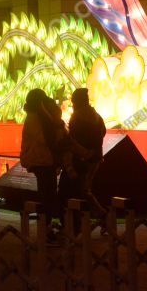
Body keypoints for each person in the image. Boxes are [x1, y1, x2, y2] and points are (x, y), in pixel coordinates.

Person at [20, 89, 91, 231]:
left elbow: (59, 137)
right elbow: (46, 139)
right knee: (48, 195)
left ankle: (47, 227)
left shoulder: (40, 118)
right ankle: (45, 229)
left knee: (48, 193)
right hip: (42, 161)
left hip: (46, 161)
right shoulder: (35, 118)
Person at [59, 88, 107, 224]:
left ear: (77, 101)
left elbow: (72, 140)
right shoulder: (95, 115)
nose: (73, 104)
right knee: (84, 190)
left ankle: (101, 216)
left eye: (74, 101)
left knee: (81, 191)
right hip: (95, 157)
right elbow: (103, 132)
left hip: (82, 159)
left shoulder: (77, 117)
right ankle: (100, 216)